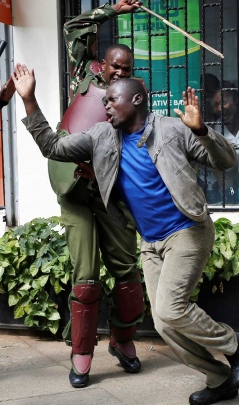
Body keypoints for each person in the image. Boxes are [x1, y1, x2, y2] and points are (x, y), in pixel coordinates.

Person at [13, 66, 239, 405]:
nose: (106, 105)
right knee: (164, 324)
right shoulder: (101, 135)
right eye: (105, 100)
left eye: (112, 99)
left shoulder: (173, 129)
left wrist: (203, 131)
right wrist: (29, 99)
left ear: (136, 100)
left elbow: (226, 161)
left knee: (171, 309)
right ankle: (221, 378)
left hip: (187, 231)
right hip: (150, 243)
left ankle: (234, 346)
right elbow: (53, 148)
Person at [47, 0, 144, 388]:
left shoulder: (135, 97)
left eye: (126, 68)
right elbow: (73, 28)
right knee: (85, 280)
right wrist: (111, 11)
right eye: (114, 66)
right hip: (75, 189)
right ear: (102, 65)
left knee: (127, 275)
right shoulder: (83, 78)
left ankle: (122, 341)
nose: (119, 72)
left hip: (112, 194)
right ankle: (82, 352)